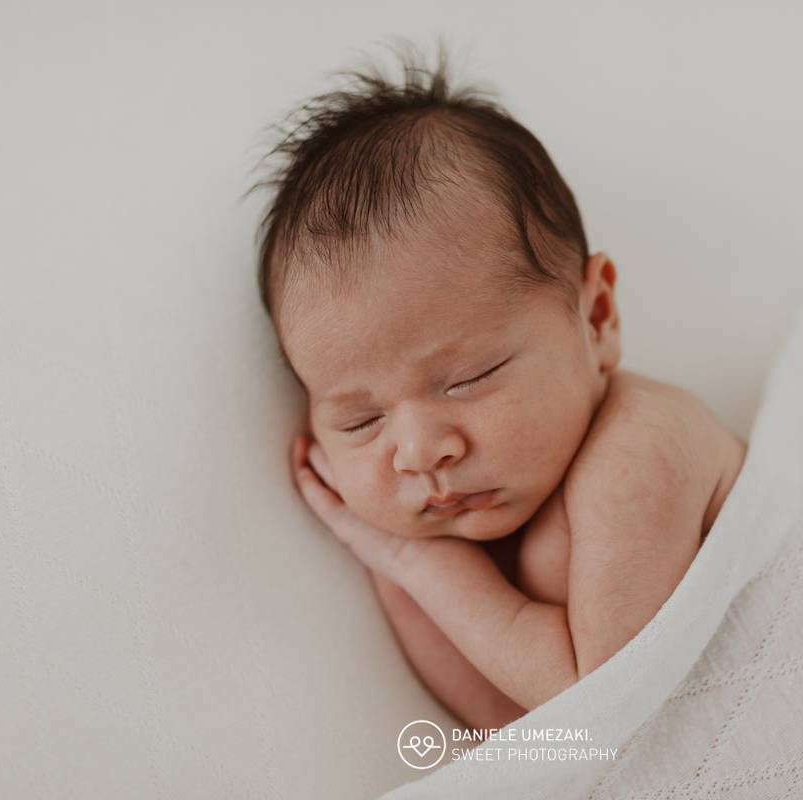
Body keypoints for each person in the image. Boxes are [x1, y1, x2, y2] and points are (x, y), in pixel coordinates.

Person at [256, 49, 745, 730]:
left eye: (468, 379)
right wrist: (400, 575)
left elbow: (603, 709)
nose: (418, 452)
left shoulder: (641, 447)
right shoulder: (479, 540)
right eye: (361, 420)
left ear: (595, 318)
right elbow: (510, 733)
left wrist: (416, 563)